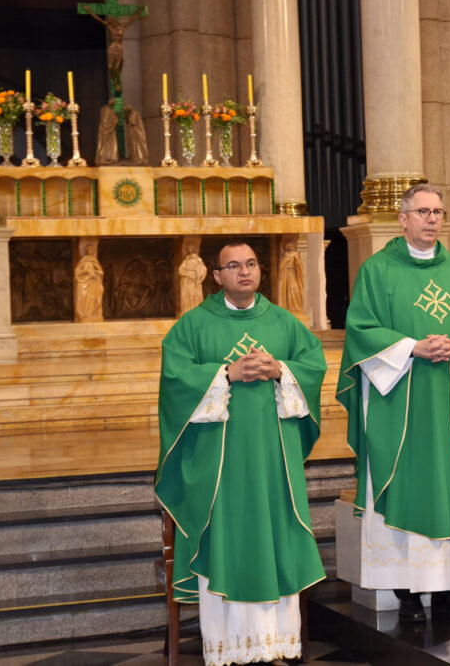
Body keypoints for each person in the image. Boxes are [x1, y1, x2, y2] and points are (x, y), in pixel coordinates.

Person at [155, 239, 326, 665]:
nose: (244, 272)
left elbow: (313, 366)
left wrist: (282, 370)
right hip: (220, 466)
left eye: (250, 264)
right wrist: (226, 373)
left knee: (274, 536)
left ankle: (276, 646)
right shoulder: (192, 326)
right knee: (229, 537)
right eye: (233, 266)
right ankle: (228, 649)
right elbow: (174, 382)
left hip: (273, 460)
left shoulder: (286, 324)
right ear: (216, 276)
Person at [336, 183, 450, 623]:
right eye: (423, 211)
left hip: (447, 397)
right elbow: (362, 328)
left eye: (438, 212)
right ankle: (406, 593)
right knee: (404, 482)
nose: (432, 219)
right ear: (403, 219)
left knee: (446, 487)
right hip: (399, 399)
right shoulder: (377, 269)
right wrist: (411, 347)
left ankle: (446, 592)